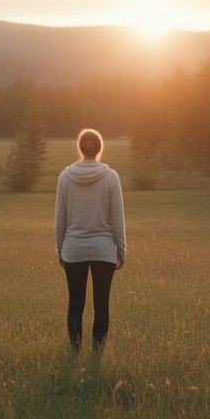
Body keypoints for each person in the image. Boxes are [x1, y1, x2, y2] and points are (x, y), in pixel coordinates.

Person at [54, 128, 126, 354]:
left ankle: (76, 352)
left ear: (80, 148)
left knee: (75, 303)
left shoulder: (65, 177)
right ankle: (97, 353)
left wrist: (60, 249)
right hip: (103, 250)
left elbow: (60, 219)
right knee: (101, 304)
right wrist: (121, 250)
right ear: (100, 148)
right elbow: (117, 219)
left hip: (73, 249)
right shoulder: (111, 177)